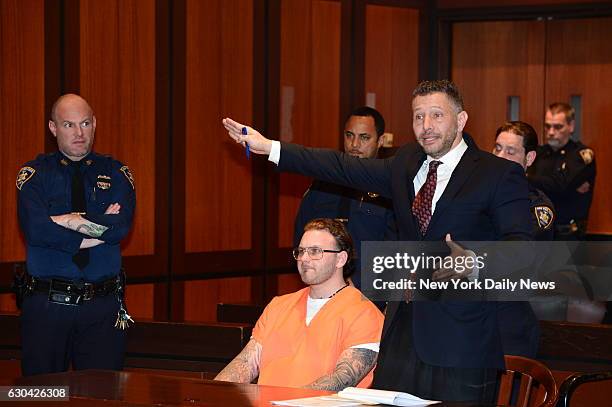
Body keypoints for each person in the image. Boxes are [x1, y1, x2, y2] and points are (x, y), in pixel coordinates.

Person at [222, 80, 533, 402]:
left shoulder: (497, 174)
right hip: (400, 338)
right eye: (418, 117)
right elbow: (341, 166)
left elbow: (523, 248)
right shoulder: (406, 162)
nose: (426, 126)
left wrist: (474, 262)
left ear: (461, 120)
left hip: (461, 341)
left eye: (437, 115)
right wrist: (271, 148)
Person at [16, 94, 136, 376]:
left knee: (103, 396)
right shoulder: (34, 174)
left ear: (94, 123)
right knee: (42, 395)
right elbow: (35, 229)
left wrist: (66, 220)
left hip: (102, 308)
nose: (79, 133)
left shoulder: (117, 172)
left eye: (84, 123)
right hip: (47, 306)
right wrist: (95, 228)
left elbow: (119, 227)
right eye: (68, 125)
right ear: (53, 128)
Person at [215, 218, 384, 390]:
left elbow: (342, 380)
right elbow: (245, 363)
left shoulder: (364, 312)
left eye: (315, 251)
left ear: (340, 259)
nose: (304, 258)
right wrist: (210, 394)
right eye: (301, 251)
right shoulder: (278, 306)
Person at [294, 106, 397, 289]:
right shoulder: (322, 185)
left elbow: (396, 252)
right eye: (349, 135)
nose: (354, 145)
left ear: (380, 141)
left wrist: (359, 287)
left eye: (364, 137)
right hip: (322, 290)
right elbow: (301, 241)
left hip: (371, 295)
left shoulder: (391, 188)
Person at [492, 121, 550, 358]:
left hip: (511, 315)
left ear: (529, 158)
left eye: (511, 151)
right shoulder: (475, 196)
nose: (501, 157)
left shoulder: (538, 206)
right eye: (497, 148)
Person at [528, 102, 596, 240]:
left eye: (558, 127)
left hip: (568, 235)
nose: (551, 132)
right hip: (539, 231)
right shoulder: (538, 153)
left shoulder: (581, 155)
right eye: (548, 126)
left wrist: (528, 177)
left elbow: (560, 186)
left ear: (571, 126)